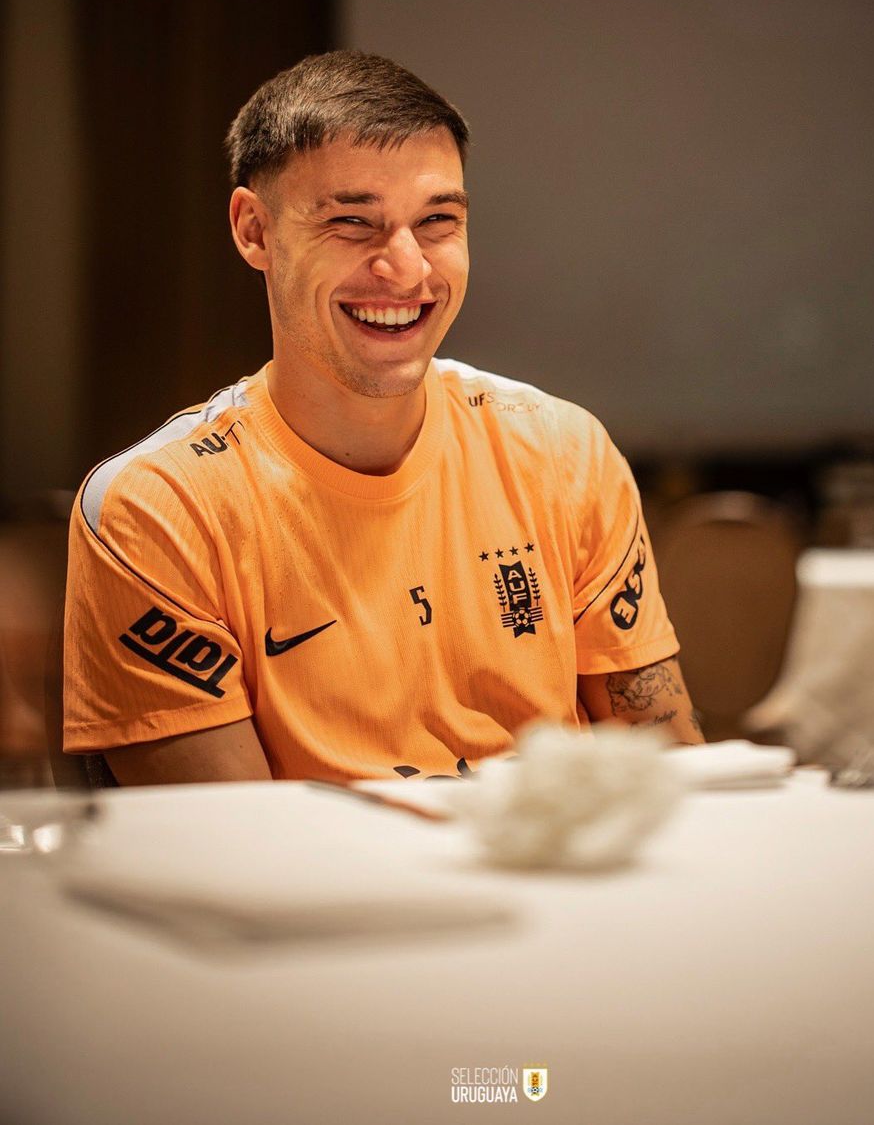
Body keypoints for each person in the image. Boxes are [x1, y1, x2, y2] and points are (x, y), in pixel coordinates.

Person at [63, 50, 703, 785]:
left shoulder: (563, 451)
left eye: (436, 221)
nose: (407, 270)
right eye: (353, 222)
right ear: (254, 232)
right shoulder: (158, 508)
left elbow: (671, 778)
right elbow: (227, 854)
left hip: (564, 888)